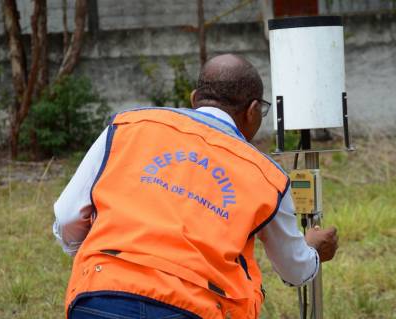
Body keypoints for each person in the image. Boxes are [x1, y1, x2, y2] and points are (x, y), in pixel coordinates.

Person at [53, 54, 338, 319]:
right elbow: (295, 269)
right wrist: (312, 250)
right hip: (193, 307)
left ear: (194, 99)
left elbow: (67, 216)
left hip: (99, 296)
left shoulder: (127, 126)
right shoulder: (266, 176)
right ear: (252, 111)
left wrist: (104, 260)